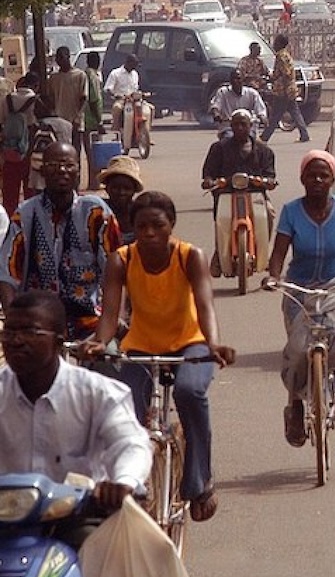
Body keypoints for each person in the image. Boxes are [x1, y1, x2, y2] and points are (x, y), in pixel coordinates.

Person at [85, 190, 236, 523]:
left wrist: (214, 344)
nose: (149, 233)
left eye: (157, 225)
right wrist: (100, 342)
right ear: (132, 228)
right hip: (142, 344)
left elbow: (205, 305)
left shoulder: (189, 256)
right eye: (142, 227)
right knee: (125, 406)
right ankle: (132, 478)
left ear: (171, 225)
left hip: (191, 343)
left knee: (189, 392)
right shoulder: (121, 259)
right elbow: (110, 314)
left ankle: (200, 481)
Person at [0, 291, 152, 528]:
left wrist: (123, 482)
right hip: (9, 524)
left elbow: (130, 443)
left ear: (58, 341)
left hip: (79, 522)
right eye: (9, 332)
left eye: (30, 332)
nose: (16, 341)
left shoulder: (99, 393)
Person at [265, 150, 335, 445]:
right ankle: (296, 407)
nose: (318, 180)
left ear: (333, 179)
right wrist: (274, 277)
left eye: (324, 175)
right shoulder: (291, 211)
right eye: (312, 175)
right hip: (300, 286)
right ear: (302, 179)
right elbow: (278, 253)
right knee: (298, 351)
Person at [0, 142, 121, 340]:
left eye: (68, 165)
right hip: (38, 320)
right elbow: (7, 274)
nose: (61, 170)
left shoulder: (96, 212)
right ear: (42, 169)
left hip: (90, 320)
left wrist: (113, 321)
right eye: (53, 165)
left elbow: (116, 271)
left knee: (110, 360)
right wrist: (15, 323)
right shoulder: (25, 213)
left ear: (77, 170)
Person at [201, 108, 277, 278]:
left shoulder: (264, 151)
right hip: (226, 193)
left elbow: (271, 176)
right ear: (231, 126)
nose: (240, 128)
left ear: (250, 126)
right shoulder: (218, 148)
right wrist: (210, 181)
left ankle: (264, 249)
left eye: (243, 124)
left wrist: (265, 182)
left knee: (269, 214)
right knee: (222, 220)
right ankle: (219, 254)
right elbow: (208, 174)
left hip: (255, 193)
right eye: (236, 125)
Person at [259, 34, 310, 143]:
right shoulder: (286, 55)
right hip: (289, 89)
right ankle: (304, 134)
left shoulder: (281, 56)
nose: (274, 44)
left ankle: (265, 136)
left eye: (276, 42)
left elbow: (285, 73)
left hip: (283, 91)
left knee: (276, 115)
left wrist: (273, 78)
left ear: (280, 44)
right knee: (295, 113)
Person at [0, 78, 38, 214]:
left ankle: (10, 220)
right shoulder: (35, 100)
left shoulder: (7, 99)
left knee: (10, 192)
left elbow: (1, 121)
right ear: (34, 85)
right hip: (29, 148)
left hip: (10, 149)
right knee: (30, 191)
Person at [47, 46, 88, 160]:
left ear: (68, 57)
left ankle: (77, 177)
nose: (59, 61)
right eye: (57, 58)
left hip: (74, 121)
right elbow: (50, 99)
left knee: (75, 153)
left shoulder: (80, 75)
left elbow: (84, 98)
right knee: (60, 153)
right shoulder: (53, 78)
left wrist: (78, 117)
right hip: (59, 123)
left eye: (62, 58)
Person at [98, 154, 144, 245]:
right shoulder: (98, 211)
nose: (121, 192)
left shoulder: (141, 213)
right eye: (115, 187)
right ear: (107, 188)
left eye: (127, 188)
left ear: (134, 190)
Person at [208, 69, 267, 138]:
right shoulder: (222, 92)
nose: (236, 81)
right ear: (230, 81)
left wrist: (262, 118)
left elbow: (260, 110)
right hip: (228, 128)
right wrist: (216, 114)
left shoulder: (252, 93)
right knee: (227, 141)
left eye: (238, 78)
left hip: (248, 129)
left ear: (243, 80)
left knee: (257, 145)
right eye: (233, 79)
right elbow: (215, 106)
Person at [83, 50, 105, 188]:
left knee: (89, 151)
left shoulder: (85, 74)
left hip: (85, 119)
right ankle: (94, 182)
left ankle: (93, 181)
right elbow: (94, 100)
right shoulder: (93, 77)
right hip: (91, 120)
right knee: (94, 152)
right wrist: (99, 121)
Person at [104, 53, 140, 132]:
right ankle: (115, 130)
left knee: (150, 109)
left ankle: (143, 134)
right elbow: (108, 89)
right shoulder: (115, 73)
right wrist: (115, 95)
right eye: (133, 64)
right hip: (121, 100)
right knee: (117, 108)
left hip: (133, 100)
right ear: (128, 62)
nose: (134, 67)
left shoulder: (135, 74)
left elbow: (135, 89)